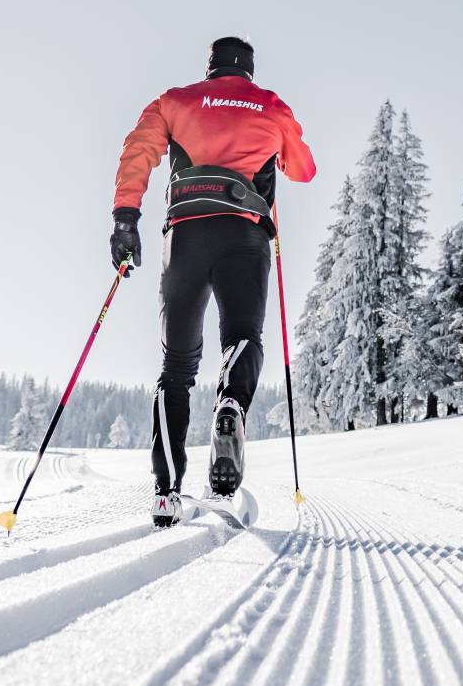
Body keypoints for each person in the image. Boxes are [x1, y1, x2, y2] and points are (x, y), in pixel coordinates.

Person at [110, 36, 316, 527]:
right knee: (244, 337)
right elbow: (304, 170)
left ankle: (165, 490)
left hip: (184, 234)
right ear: (248, 69)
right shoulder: (270, 106)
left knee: (176, 366)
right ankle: (230, 404)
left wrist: (125, 218)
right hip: (244, 233)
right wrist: (273, 154)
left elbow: (138, 150)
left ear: (210, 69)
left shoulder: (175, 101)